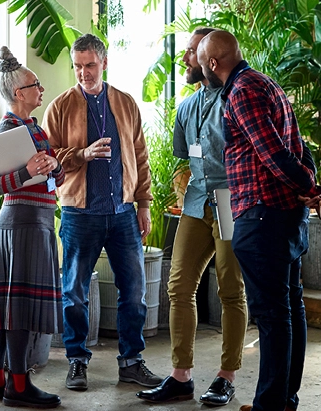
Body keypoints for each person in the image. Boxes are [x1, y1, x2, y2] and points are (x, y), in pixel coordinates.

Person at [197, 30, 320, 411]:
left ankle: (270, 404)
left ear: (213, 63)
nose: (197, 64)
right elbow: (299, 148)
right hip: (283, 213)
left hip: (263, 214)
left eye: (200, 58)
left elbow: (273, 153)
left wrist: (310, 188)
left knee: (272, 315)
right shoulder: (267, 83)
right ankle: (283, 399)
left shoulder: (242, 91)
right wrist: (310, 185)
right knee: (289, 308)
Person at [42, 33, 163, 392]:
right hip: (80, 214)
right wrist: (82, 154)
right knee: (74, 292)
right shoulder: (60, 107)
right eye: (77, 67)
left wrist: (143, 204)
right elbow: (49, 159)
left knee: (135, 292)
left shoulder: (125, 103)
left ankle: (131, 362)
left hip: (124, 213)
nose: (83, 73)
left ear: (104, 63)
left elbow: (140, 156)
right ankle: (77, 361)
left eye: (89, 65)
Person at [137, 28, 248, 406]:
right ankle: (180, 376)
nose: (184, 60)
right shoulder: (186, 107)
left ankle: (226, 375)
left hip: (230, 199)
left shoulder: (236, 99)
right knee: (178, 286)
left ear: (207, 59)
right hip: (195, 201)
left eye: (189, 53)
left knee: (230, 290)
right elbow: (186, 155)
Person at [0, 46, 64, 409]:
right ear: (19, 93)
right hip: (22, 224)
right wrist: (28, 171)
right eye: (36, 84)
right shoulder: (8, 129)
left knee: (10, 305)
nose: (41, 89)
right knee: (18, 308)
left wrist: (53, 167)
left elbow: (52, 175)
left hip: (37, 222)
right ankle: (18, 384)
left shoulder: (34, 128)